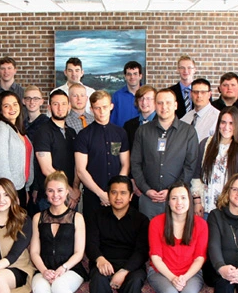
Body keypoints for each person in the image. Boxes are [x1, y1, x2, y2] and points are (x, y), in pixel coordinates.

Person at [85, 175, 149, 293]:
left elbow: (141, 251)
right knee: (97, 280)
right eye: (113, 192)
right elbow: (91, 243)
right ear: (108, 194)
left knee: (135, 282)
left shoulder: (141, 220)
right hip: (104, 262)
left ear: (130, 196)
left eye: (123, 193)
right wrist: (99, 259)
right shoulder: (96, 216)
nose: (118, 197)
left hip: (130, 266)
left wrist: (124, 271)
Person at [29, 171, 88, 293]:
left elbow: (79, 252)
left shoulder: (77, 218)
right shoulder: (38, 218)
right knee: (38, 286)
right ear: (46, 193)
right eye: (51, 191)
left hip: (71, 269)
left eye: (60, 190)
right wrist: (44, 270)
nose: (56, 195)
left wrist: (63, 268)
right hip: (45, 268)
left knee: (59, 287)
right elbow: (35, 251)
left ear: (67, 192)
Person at [147, 181, 207, 293]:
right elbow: (156, 257)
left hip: (191, 273)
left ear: (189, 200)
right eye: (174, 198)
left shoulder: (200, 224)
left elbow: (200, 258)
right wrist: (173, 277)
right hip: (161, 273)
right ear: (168, 201)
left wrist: (184, 277)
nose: (179, 202)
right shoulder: (157, 223)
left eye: (183, 198)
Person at [131, 88, 200, 219]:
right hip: (148, 199)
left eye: (168, 103)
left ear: (175, 105)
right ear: (155, 105)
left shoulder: (188, 132)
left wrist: (172, 191)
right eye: (160, 103)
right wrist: (146, 189)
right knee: (147, 237)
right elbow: (135, 163)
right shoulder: (143, 131)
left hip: (177, 200)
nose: (164, 107)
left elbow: (190, 166)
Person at [75, 90, 130, 220]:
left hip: (118, 198)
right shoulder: (84, 135)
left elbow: (125, 164)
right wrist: (101, 194)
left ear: (111, 106)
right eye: (97, 108)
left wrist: (115, 192)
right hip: (93, 196)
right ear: (91, 109)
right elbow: (81, 170)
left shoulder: (120, 133)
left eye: (105, 107)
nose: (101, 111)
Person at [192, 108, 238, 218]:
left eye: (231, 123)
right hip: (205, 210)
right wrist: (197, 202)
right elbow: (196, 174)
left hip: (228, 211)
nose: (226, 127)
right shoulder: (206, 144)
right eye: (223, 122)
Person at [33, 89, 80, 212]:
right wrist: (70, 191)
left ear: (69, 106)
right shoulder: (43, 132)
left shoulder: (71, 132)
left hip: (70, 197)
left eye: (64, 104)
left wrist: (75, 189)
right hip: (50, 198)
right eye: (55, 104)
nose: (60, 108)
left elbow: (76, 164)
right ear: (49, 107)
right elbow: (47, 169)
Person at [0, 91, 34, 206]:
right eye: (6, 106)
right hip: (7, 190)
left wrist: (26, 188)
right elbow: (0, 162)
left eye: (15, 104)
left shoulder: (18, 129)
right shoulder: (0, 127)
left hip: (20, 187)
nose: (12, 108)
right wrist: (10, 193)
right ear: (0, 109)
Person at [180, 78, 220, 143]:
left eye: (203, 92)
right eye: (195, 92)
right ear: (191, 94)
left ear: (209, 94)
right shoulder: (185, 118)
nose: (199, 96)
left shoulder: (217, 117)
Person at [110, 61, 143, 127]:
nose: (132, 77)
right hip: (122, 135)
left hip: (143, 135)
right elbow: (112, 121)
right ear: (125, 76)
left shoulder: (148, 95)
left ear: (140, 76)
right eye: (129, 74)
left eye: (135, 74)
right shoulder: (117, 96)